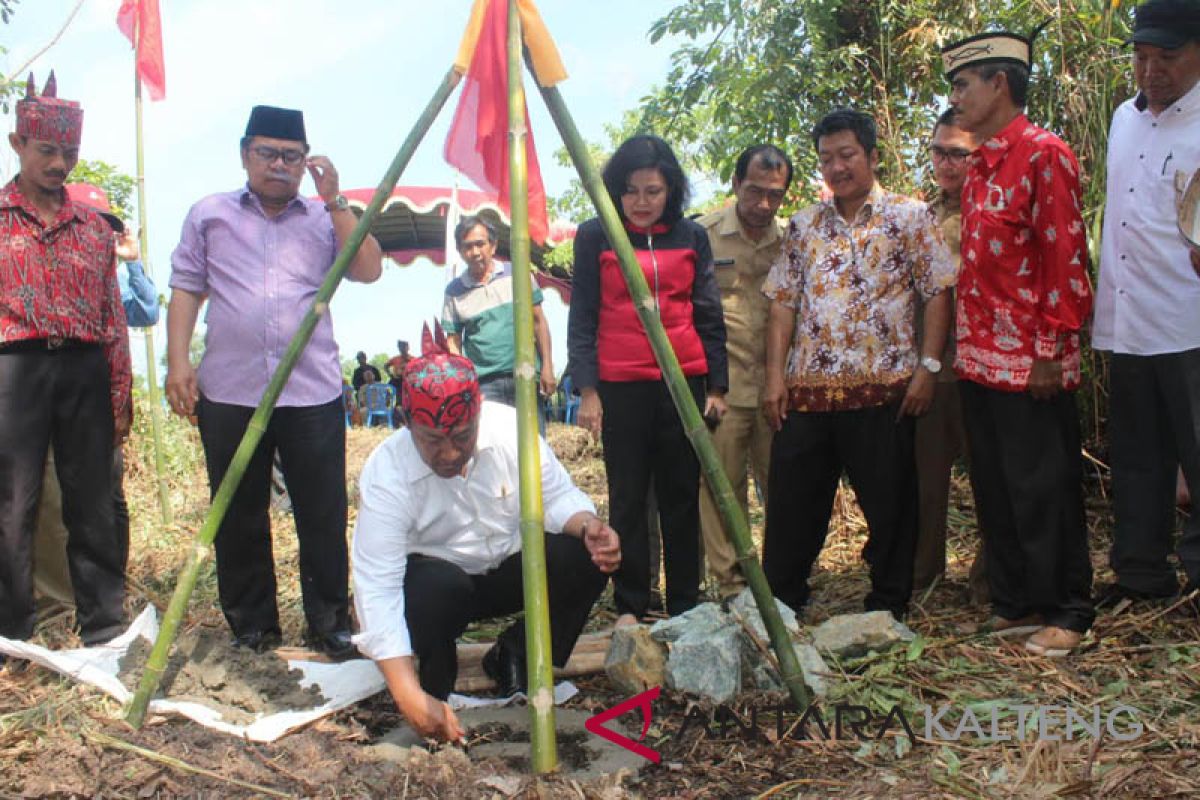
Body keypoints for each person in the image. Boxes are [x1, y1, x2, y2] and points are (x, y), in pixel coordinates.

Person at [166, 105, 383, 658]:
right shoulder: (209, 214)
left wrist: (336, 200)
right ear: (245, 154)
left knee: (323, 511)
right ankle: (253, 628)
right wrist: (178, 362)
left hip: (310, 389)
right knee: (237, 512)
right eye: (267, 153)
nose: (279, 165)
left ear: (305, 162)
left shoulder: (322, 217)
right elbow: (187, 288)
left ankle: (330, 622)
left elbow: (367, 270)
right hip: (229, 389)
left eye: (291, 156)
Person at [351, 330, 621, 742]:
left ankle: (516, 656)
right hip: (438, 588)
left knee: (585, 557)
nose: (450, 453)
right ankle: (436, 686)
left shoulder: (509, 430)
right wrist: (407, 695)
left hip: (512, 569)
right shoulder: (387, 472)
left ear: (478, 415)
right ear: (406, 425)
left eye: (462, 436)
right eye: (433, 441)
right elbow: (378, 588)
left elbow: (556, 497)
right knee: (434, 588)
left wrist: (588, 525)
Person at [760, 109, 956, 621]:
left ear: (871, 155)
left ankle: (888, 606)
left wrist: (927, 368)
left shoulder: (910, 217)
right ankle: (782, 602)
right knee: (792, 507)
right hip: (808, 393)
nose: (836, 167)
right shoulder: (804, 225)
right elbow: (782, 302)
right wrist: (775, 377)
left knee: (891, 506)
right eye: (826, 159)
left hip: (885, 392)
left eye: (846, 155)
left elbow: (937, 292)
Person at [944, 28, 1096, 655]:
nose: (954, 99)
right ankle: (1017, 603)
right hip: (979, 358)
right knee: (997, 487)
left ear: (998, 84)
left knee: (1044, 486)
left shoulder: (1043, 154)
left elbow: (1065, 258)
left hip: (1032, 358)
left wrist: (1048, 351)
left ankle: (1069, 608)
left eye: (961, 85)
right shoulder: (980, 163)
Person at [568, 134, 729, 627]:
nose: (641, 203)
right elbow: (583, 315)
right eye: (632, 190)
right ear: (617, 189)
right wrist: (589, 390)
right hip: (621, 384)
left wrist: (718, 388)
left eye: (653, 192)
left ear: (671, 191)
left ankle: (684, 602)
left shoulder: (691, 236)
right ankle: (632, 603)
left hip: (683, 383)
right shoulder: (597, 235)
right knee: (629, 495)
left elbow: (707, 312)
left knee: (682, 493)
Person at [0, 73, 132, 651]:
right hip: (13, 369)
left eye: (69, 153)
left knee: (92, 498)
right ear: (17, 144)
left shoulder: (95, 232)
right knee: (12, 500)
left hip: (83, 369)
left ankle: (103, 625)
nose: (59, 163)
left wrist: (119, 391)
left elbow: (113, 318)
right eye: (47, 150)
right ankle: (11, 629)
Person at [1093, 0, 1200, 607]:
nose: (1151, 69)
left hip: (1190, 318)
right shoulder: (1122, 120)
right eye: (1141, 56)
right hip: (1128, 318)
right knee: (1136, 458)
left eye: (1168, 56)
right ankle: (1140, 577)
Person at [33, 184, 159, 613]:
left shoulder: (116, 286)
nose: (97, 236)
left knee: (109, 499)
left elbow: (149, 310)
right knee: (55, 501)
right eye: (91, 225)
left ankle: (110, 585)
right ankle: (61, 599)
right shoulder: (51, 276)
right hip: (56, 405)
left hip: (106, 409)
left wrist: (133, 261)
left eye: (106, 228)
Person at [695, 144, 792, 598]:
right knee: (721, 489)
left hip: (778, 387)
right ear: (735, 184)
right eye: (755, 192)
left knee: (785, 488)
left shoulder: (792, 239)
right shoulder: (704, 236)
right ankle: (733, 585)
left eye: (775, 195)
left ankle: (779, 580)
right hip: (724, 388)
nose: (764, 205)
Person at [910, 110, 988, 604]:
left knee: (990, 483)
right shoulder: (923, 215)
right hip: (933, 371)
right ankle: (922, 579)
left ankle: (990, 582)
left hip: (984, 369)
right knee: (924, 483)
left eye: (958, 153)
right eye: (939, 151)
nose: (946, 162)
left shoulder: (991, 211)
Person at [442, 215, 556, 429]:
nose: (475, 252)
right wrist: (464, 382)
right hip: (484, 384)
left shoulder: (518, 274)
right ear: (460, 252)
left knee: (534, 447)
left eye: (480, 244)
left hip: (526, 374)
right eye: (467, 247)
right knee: (493, 448)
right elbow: (453, 342)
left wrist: (548, 367)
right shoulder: (454, 291)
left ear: (493, 246)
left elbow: (539, 321)